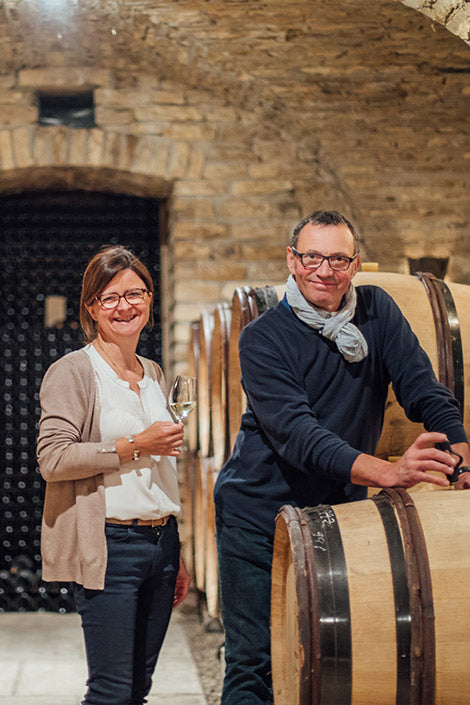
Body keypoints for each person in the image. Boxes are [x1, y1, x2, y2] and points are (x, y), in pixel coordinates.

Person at [213, 209, 470, 705]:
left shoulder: (377, 311)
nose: (324, 271)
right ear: (292, 260)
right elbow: (300, 436)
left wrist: (459, 454)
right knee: (254, 666)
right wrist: (390, 472)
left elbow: (423, 390)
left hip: (336, 520)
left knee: (330, 673)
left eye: (337, 259)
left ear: (355, 265)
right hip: (256, 518)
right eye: (312, 257)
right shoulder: (263, 337)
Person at [37, 245, 191, 705]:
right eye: (110, 298)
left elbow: (162, 469)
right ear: (92, 308)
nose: (125, 306)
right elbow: (53, 459)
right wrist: (134, 445)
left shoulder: (154, 373)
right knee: (110, 691)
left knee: (139, 690)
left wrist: (177, 549)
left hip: (161, 544)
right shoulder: (74, 372)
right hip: (110, 545)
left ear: (148, 299)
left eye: (135, 293)